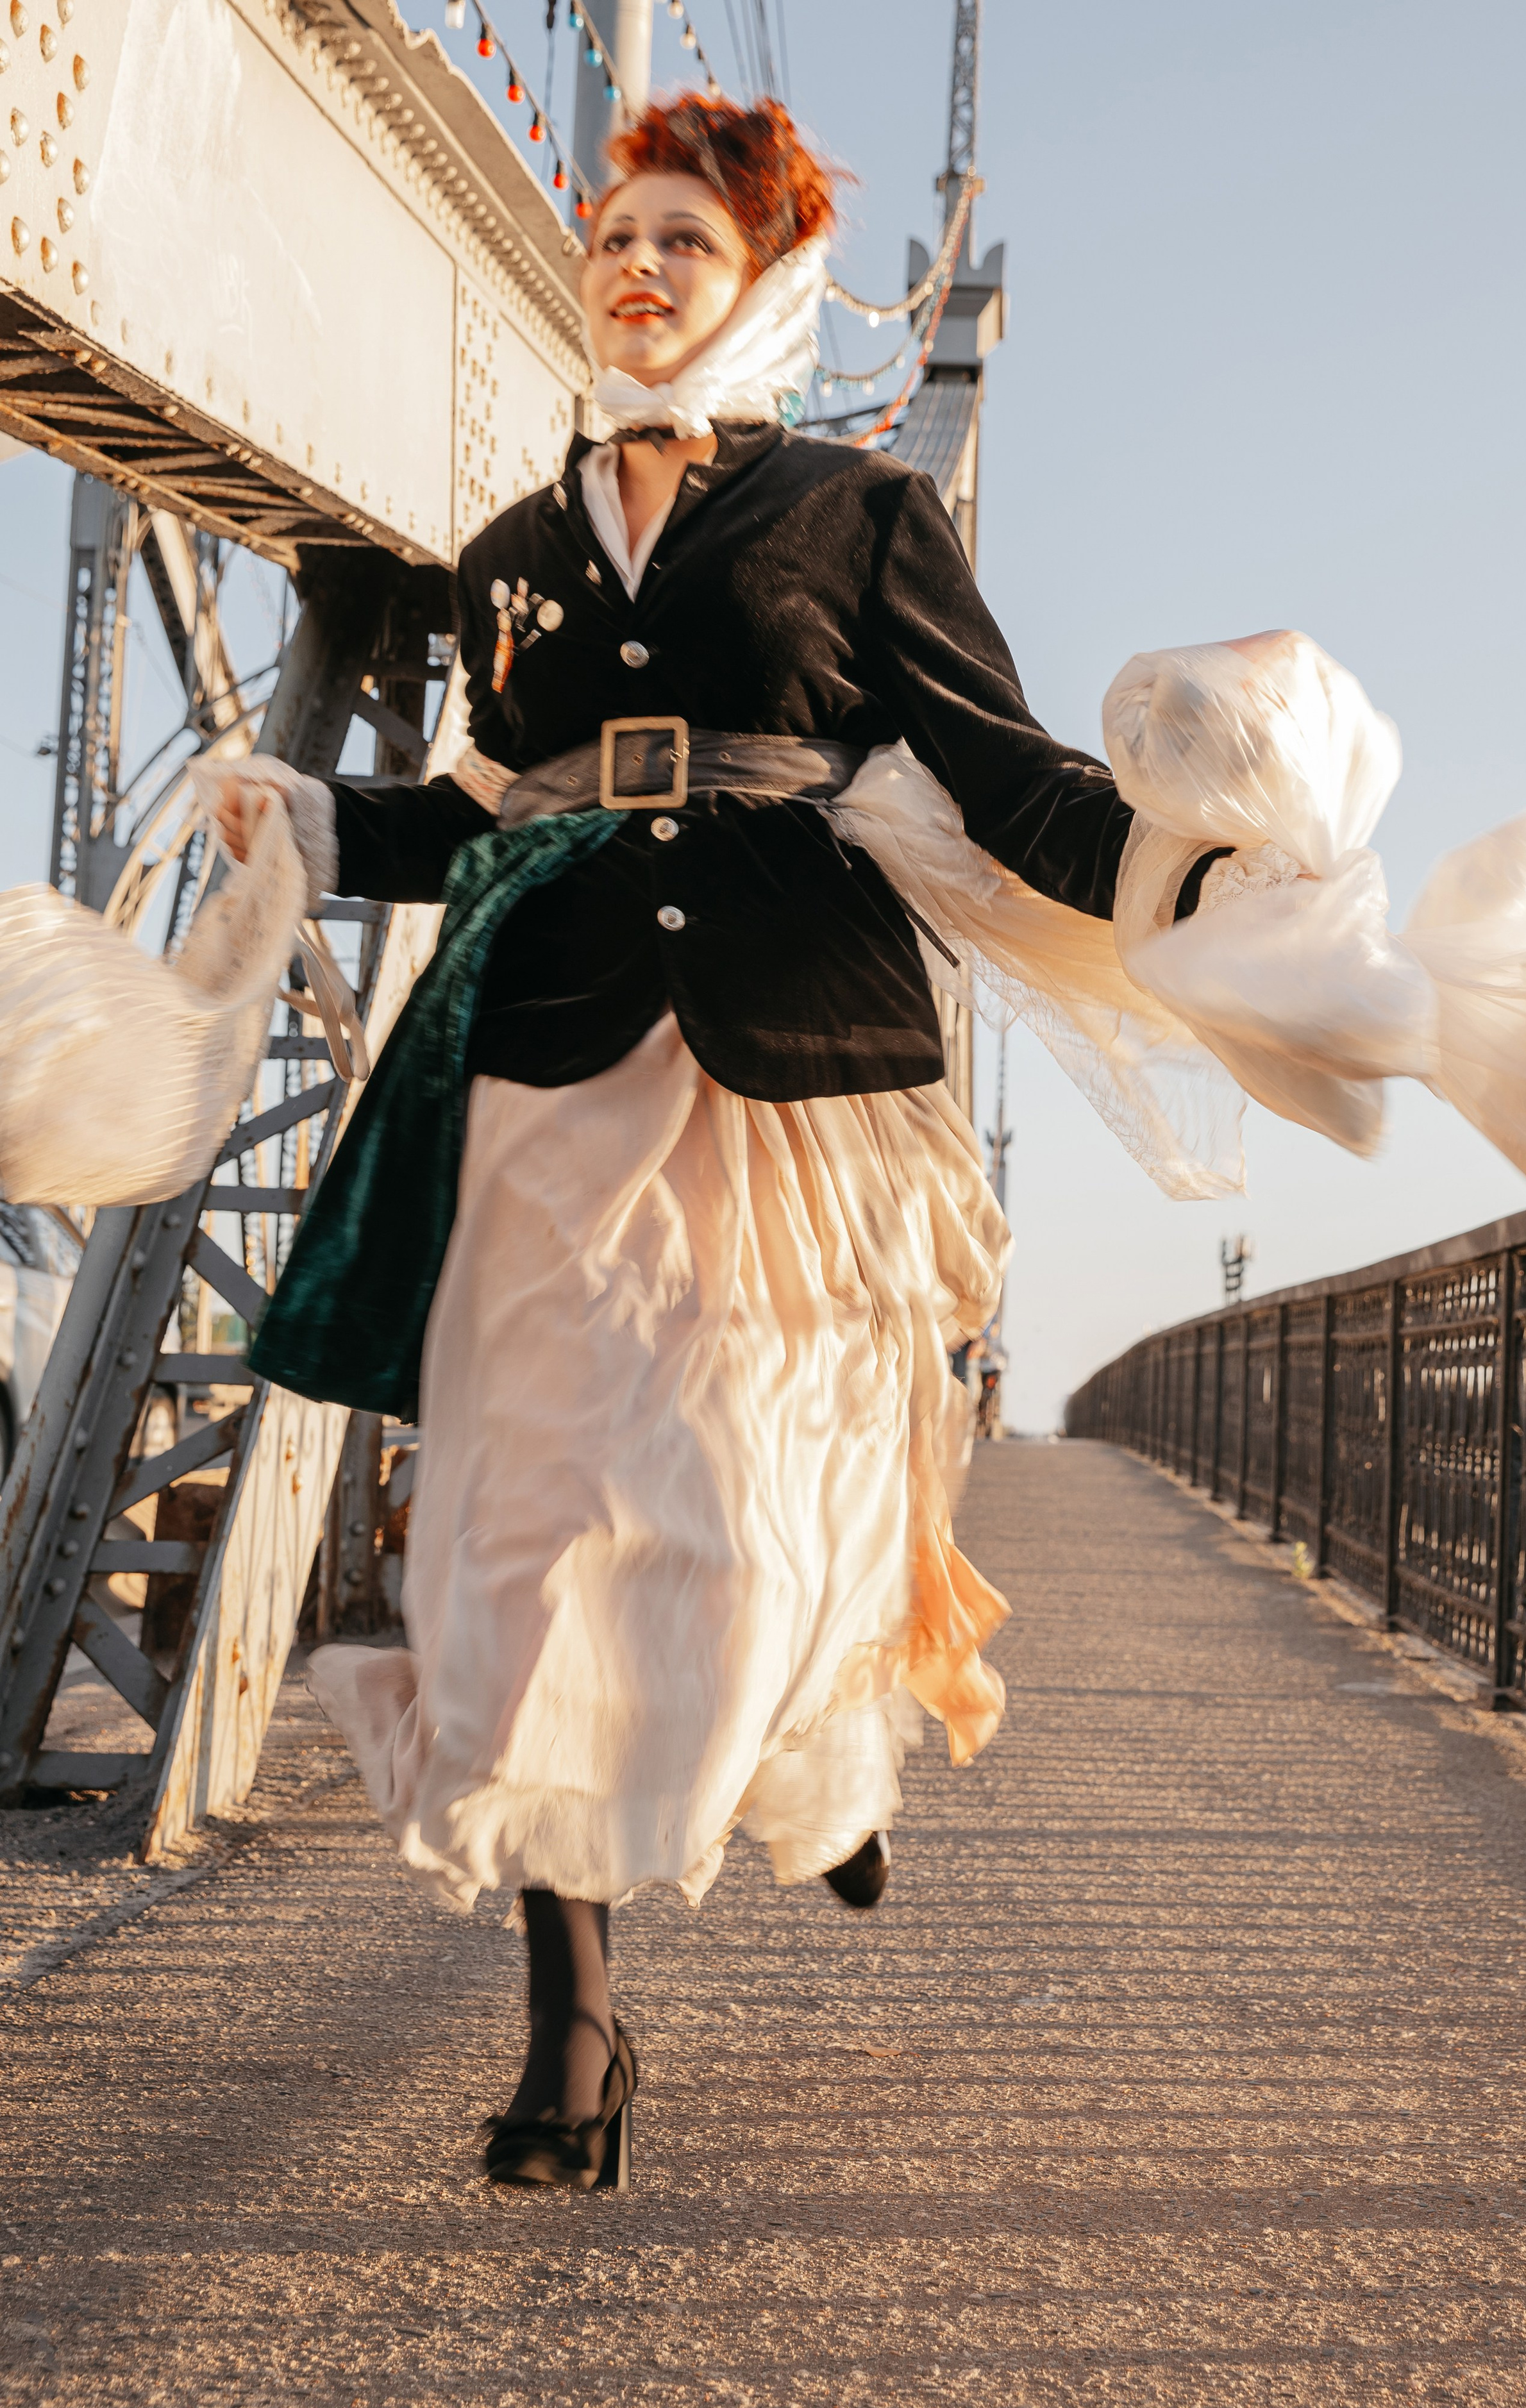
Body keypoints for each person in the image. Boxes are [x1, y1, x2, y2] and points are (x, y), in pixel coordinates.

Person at [209, 93, 1231, 2191]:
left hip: (788, 1058)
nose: (637, 263)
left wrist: (1186, 872)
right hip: (551, 1057)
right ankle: (574, 2026)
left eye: (684, 235)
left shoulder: (855, 513)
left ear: (759, 276)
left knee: (754, 1508)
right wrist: (304, 817)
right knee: (515, 1529)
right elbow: (471, 806)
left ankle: (821, 1748)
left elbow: (1009, 774)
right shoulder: (509, 553)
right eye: (618, 233)